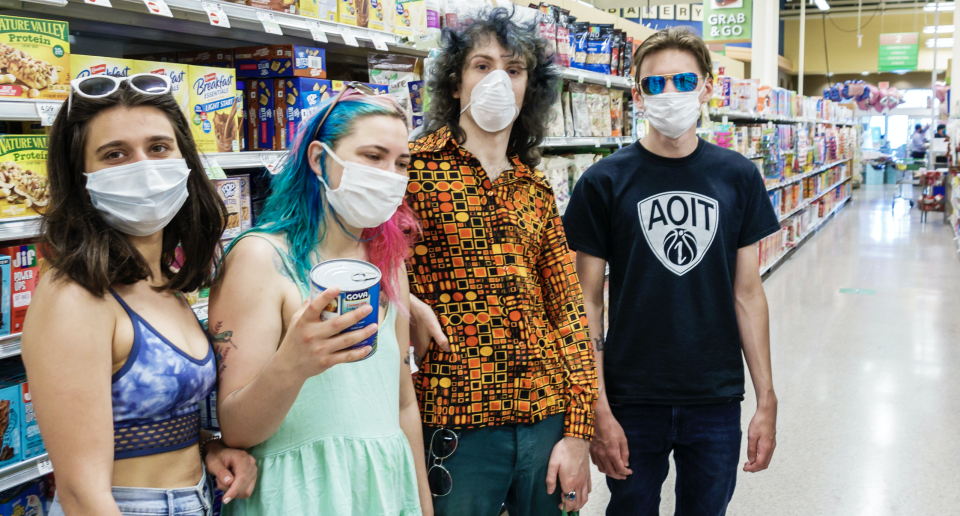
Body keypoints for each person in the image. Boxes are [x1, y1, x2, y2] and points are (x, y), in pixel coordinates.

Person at [563, 27, 779, 515]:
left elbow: (748, 294)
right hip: (631, 395)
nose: (670, 94)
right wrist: (597, 407)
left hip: (715, 394)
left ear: (707, 87)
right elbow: (587, 303)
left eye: (684, 81)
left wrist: (767, 397)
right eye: (655, 84)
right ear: (636, 94)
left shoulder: (739, 175)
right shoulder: (604, 181)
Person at [23, 74, 258, 516]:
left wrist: (202, 449)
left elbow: (144, 421)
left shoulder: (162, 283)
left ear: (184, 158)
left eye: (158, 148)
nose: (144, 168)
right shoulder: (75, 297)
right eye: (115, 154)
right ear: (81, 176)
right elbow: (81, 496)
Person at [405, 8, 598, 515]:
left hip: (545, 416)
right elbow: (366, 266)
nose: (497, 80)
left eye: (513, 70)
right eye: (481, 66)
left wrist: (578, 432)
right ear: (453, 82)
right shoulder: (411, 170)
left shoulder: (534, 188)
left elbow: (569, 313)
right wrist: (403, 299)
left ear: (529, 88)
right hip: (457, 422)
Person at [209, 86, 432, 516]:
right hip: (299, 493)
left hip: (383, 489)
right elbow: (236, 429)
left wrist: (421, 505)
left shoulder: (389, 265)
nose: (390, 174)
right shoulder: (260, 259)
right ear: (318, 159)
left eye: (401, 163)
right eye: (373, 156)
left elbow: (403, 401)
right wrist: (294, 361)